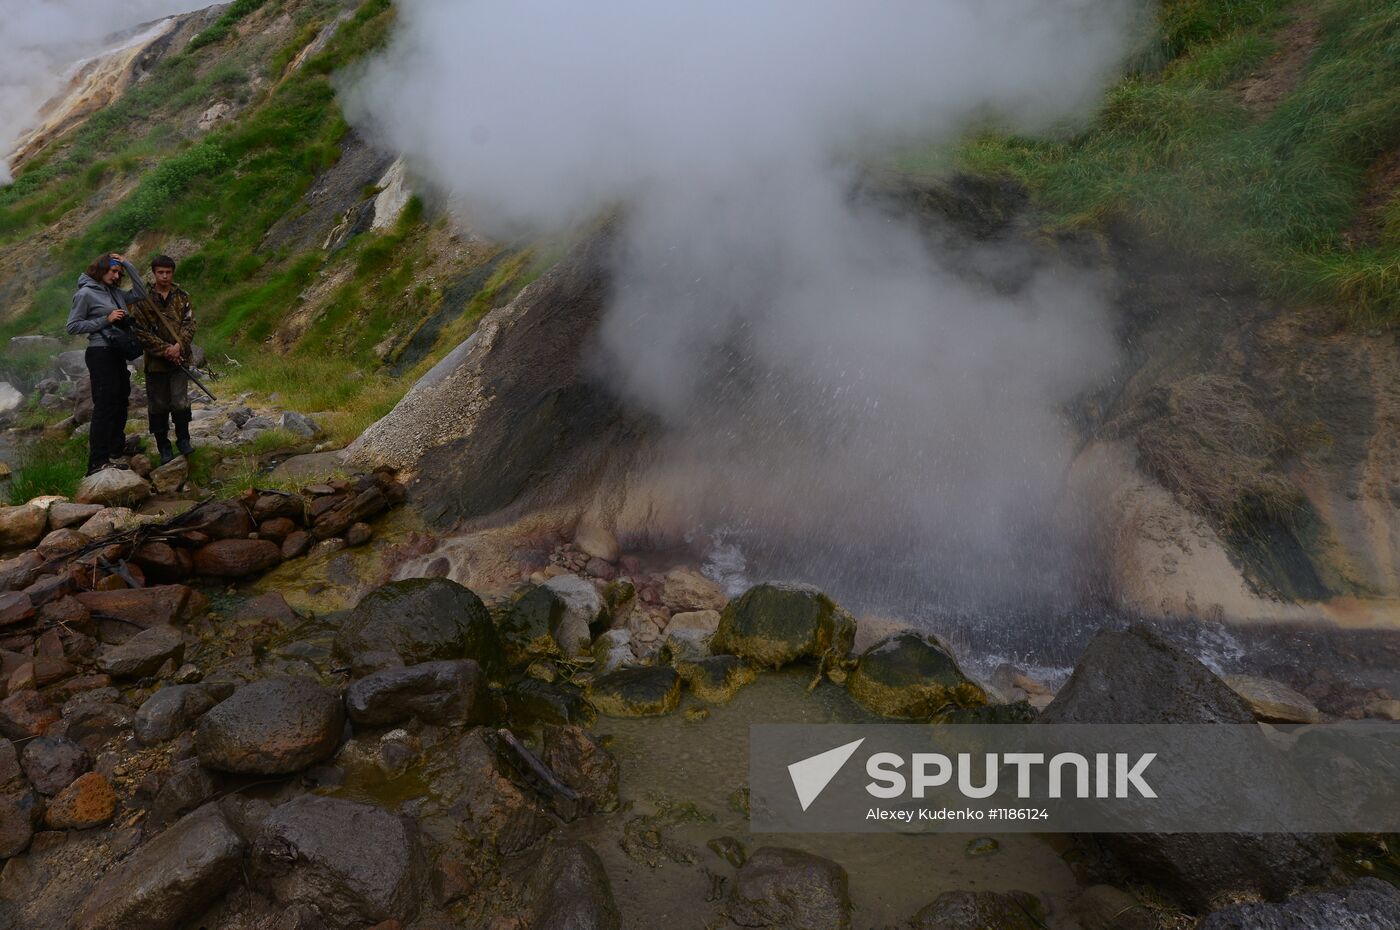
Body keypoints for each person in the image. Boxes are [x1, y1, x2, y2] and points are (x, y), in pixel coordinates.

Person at [66, 253, 147, 475]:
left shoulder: (115, 292)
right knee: (105, 405)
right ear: (100, 270)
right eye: (113, 271)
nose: (116, 275)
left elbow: (140, 293)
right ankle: (97, 462)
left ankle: (115, 449)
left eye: (119, 273)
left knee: (121, 401)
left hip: (117, 352)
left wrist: (127, 264)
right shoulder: (85, 294)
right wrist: (106, 319)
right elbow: (72, 326)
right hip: (99, 352)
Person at [128, 255, 196, 464]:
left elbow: (190, 324)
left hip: (180, 360)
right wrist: (166, 350)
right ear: (154, 273)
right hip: (156, 362)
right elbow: (139, 331)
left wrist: (178, 347)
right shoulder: (142, 299)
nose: (164, 276)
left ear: (172, 273)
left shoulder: (182, 296)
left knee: (180, 401)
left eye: (168, 272)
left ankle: (184, 440)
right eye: (160, 272)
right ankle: (163, 446)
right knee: (157, 405)